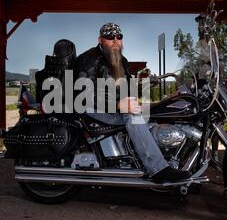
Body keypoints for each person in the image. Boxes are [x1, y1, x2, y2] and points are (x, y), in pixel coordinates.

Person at [73, 23, 191, 183]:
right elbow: (83, 94)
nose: (115, 40)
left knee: (158, 109)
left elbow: (129, 88)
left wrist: (168, 96)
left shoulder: (121, 60)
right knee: (132, 114)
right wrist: (116, 105)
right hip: (91, 107)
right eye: (110, 37)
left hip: (112, 106)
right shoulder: (88, 60)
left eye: (119, 37)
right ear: (100, 40)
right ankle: (158, 169)